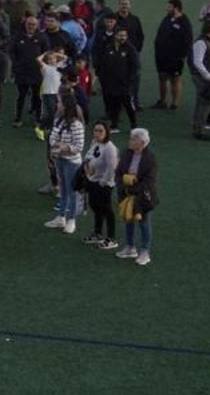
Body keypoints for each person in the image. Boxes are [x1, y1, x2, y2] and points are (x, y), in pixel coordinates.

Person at [116, 127, 158, 266]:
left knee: (144, 223)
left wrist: (133, 189)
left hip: (142, 196)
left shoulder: (150, 158)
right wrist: (123, 186)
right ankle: (130, 247)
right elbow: (119, 172)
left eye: (134, 139)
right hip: (127, 193)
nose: (131, 141)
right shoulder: (126, 154)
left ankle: (145, 251)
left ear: (142, 142)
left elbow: (149, 180)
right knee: (128, 219)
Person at [45, 90, 85, 234]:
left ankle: (71, 220)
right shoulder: (58, 120)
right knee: (63, 189)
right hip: (60, 159)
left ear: (66, 105)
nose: (57, 104)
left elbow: (79, 147)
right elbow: (52, 138)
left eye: (59, 102)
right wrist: (57, 147)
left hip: (72, 163)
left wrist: (63, 147)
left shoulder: (76, 124)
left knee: (72, 192)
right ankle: (60, 217)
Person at [82, 121, 120, 251]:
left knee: (106, 209)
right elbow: (87, 157)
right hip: (92, 180)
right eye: (95, 130)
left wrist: (102, 182)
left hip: (103, 184)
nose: (97, 133)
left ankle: (111, 238)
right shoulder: (95, 143)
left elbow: (111, 168)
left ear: (106, 132)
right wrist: (87, 169)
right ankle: (97, 233)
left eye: (100, 131)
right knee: (95, 206)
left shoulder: (110, 148)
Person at [151, 0, 191, 111]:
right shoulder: (167, 18)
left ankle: (174, 104)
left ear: (176, 8)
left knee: (175, 79)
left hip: (175, 58)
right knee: (162, 77)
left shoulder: (184, 22)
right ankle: (162, 101)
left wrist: (182, 56)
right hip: (161, 56)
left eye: (169, 7)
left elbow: (188, 41)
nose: (166, 9)